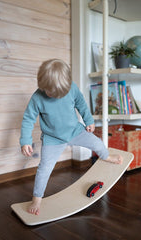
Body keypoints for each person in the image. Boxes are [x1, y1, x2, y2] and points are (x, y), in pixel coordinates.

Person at [20, 59, 123, 216]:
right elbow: (28, 118)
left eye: (59, 94)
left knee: (97, 143)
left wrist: (89, 121)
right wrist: (25, 140)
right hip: (52, 139)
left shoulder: (72, 88)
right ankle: (37, 198)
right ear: (42, 84)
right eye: (50, 93)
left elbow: (81, 104)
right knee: (44, 169)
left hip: (75, 131)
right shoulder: (38, 98)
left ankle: (106, 156)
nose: (54, 96)